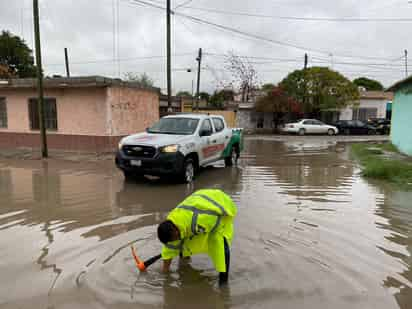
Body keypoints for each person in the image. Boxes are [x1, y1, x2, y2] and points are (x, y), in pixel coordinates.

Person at [157, 189, 237, 285]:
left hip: (219, 205)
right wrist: (165, 273)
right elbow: (170, 248)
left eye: (175, 238)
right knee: (183, 241)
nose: (175, 241)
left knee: (220, 245)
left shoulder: (201, 220)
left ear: (175, 231)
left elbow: (216, 225)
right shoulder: (172, 222)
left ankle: (223, 282)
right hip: (196, 205)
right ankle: (185, 262)